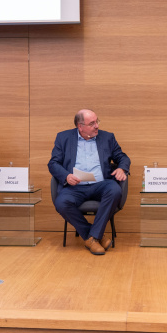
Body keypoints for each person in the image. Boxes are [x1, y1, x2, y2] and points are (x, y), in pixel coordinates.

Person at [49, 109, 131, 255]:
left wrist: (121, 169)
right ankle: (94, 236)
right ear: (80, 126)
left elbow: (123, 157)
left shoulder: (107, 137)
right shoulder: (63, 138)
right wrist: (66, 176)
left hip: (101, 184)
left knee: (115, 190)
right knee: (61, 203)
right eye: (92, 123)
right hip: (75, 187)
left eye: (97, 121)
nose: (97, 126)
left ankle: (92, 237)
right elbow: (53, 163)